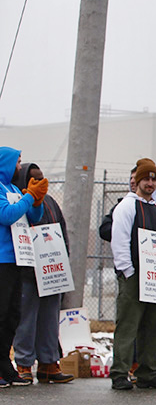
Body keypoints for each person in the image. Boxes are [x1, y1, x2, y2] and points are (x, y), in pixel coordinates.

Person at [99, 167, 156, 384]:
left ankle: (148, 372)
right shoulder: (127, 206)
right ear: (137, 182)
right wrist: (127, 271)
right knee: (128, 326)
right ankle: (120, 373)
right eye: (146, 179)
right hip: (133, 275)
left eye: (154, 179)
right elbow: (119, 240)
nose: (150, 183)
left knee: (154, 325)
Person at [12, 163, 73, 383]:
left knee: (49, 320)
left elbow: (62, 232)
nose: (40, 183)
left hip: (52, 273)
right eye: (34, 180)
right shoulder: (18, 201)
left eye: (42, 178)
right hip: (27, 273)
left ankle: (49, 363)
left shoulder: (50, 202)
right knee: (26, 321)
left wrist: (64, 260)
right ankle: (24, 363)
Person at [0, 147, 45, 387]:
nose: (20, 166)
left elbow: (31, 218)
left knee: (12, 315)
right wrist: (29, 198)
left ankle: (4, 366)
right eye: (17, 162)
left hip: (18, 259)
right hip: (2, 261)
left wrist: (36, 201)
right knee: (1, 314)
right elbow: (6, 215)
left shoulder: (14, 189)